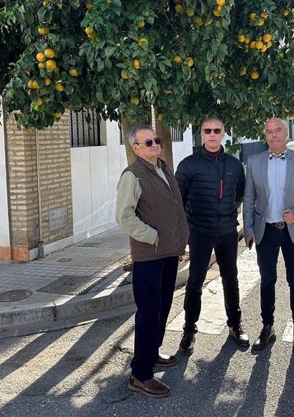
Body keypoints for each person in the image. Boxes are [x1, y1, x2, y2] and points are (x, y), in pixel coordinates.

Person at [115, 125, 189, 398]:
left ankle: (152, 353)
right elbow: (124, 217)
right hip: (149, 255)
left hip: (169, 252)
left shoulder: (162, 167)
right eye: (147, 143)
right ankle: (141, 375)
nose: (154, 145)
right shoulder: (132, 175)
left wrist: (181, 237)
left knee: (162, 307)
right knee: (148, 313)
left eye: (156, 140)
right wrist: (152, 236)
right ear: (135, 147)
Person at [175, 117, 248, 355]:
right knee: (195, 282)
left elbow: (239, 194)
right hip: (199, 233)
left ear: (224, 133)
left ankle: (235, 325)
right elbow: (179, 200)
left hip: (227, 232)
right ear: (201, 134)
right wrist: (187, 229)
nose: (213, 134)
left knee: (231, 280)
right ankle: (189, 329)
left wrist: (228, 214)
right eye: (208, 130)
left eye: (217, 130)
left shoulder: (234, 165)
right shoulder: (188, 165)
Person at [243, 118, 294, 354]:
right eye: (269, 132)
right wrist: (248, 228)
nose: (273, 136)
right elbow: (249, 198)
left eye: (278, 131)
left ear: (286, 134)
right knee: (267, 281)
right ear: (265, 136)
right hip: (266, 230)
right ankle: (267, 327)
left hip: (293, 231)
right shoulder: (254, 162)